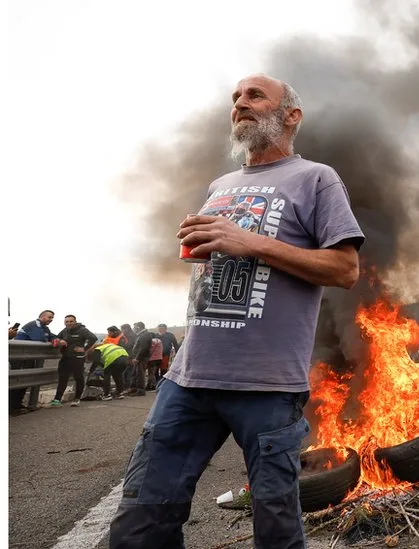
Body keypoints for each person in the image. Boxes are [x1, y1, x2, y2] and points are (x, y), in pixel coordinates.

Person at [109, 74, 365, 549]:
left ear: (291, 115)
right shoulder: (220, 184)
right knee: (140, 521)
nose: (240, 104)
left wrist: (247, 241)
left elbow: (345, 268)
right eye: (235, 99)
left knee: (275, 531)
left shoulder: (316, 178)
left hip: (267, 387)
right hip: (188, 379)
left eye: (254, 96)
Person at [11, 310, 59, 411]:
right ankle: (11, 405)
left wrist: (56, 339)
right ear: (42, 316)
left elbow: (51, 335)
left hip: (27, 357)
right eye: (49, 317)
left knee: (25, 381)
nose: (51, 320)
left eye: (52, 318)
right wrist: (50, 340)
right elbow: (39, 338)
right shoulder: (34, 325)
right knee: (17, 381)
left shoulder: (44, 328)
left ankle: (17, 404)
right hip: (18, 357)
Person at [51, 315, 98, 407]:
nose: (69, 323)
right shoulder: (65, 330)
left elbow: (93, 338)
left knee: (78, 377)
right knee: (62, 378)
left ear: (75, 322)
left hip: (78, 358)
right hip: (65, 357)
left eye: (71, 321)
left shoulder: (82, 330)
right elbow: (57, 337)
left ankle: (77, 399)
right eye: (67, 321)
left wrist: (84, 348)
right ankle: (57, 400)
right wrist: (59, 341)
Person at [126, 322, 153, 396]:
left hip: (141, 358)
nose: (134, 329)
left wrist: (137, 358)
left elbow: (143, 348)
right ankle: (133, 388)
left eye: (135, 327)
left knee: (140, 375)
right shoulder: (141, 335)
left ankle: (141, 390)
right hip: (138, 358)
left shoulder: (145, 335)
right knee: (135, 374)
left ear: (139, 327)